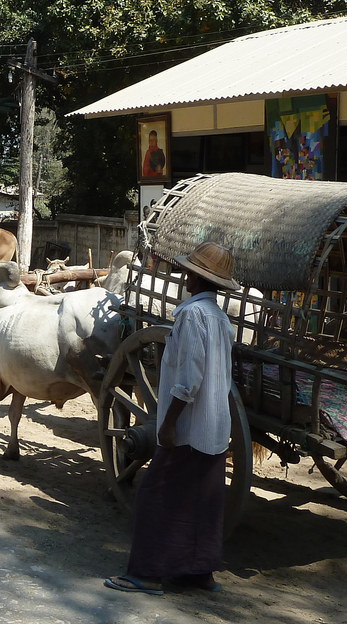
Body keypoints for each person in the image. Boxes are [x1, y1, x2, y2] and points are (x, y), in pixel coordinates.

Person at [104, 241, 238, 596]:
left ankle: (146, 574)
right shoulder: (221, 318)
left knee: (156, 496)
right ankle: (199, 573)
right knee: (204, 500)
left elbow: (189, 378)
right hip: (215, 428)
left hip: (188, 429)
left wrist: (167, 424)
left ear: (195, 277)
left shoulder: (192, 315)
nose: (185, 276)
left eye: (189, 272)